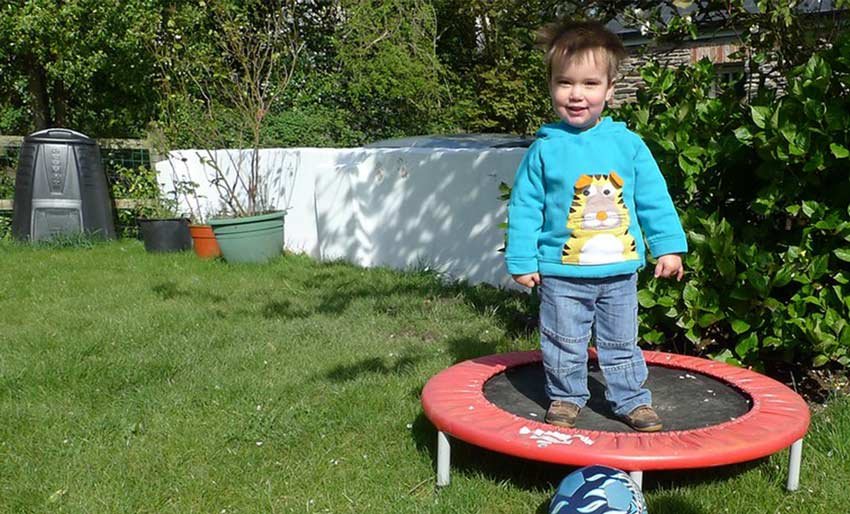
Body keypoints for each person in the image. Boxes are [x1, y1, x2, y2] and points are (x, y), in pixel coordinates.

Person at [504, 19, 686, 432]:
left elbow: (653, 199)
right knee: (563, 341)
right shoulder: (545, 150)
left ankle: (630, 399)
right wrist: (521, 258)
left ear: (609, 89)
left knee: (621, 341)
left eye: (589, 84)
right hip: (561, 273)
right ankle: (567, 395)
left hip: (619, 272)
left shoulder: (628, 145)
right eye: (565, 83)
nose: (576, 94)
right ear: (551, 85)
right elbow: (526, 206)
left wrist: (668, 247)